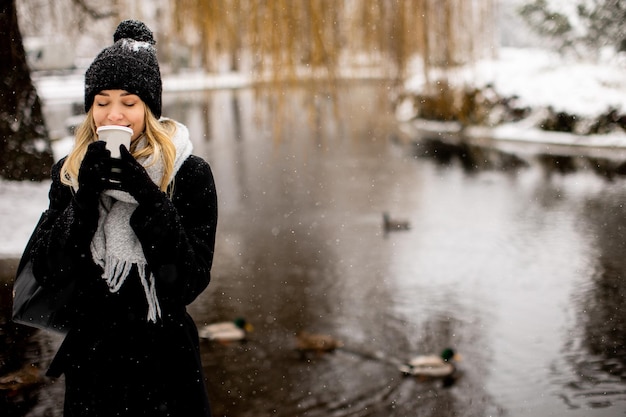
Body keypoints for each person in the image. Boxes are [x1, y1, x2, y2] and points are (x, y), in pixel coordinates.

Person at [29, 20, 217, 417]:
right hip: (93, 366)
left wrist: (147, 196)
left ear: (148, 108)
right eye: (101, 102)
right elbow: (50, 271)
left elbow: (187, 280)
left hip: (167, 366)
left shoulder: (188, 173)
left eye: (129, 103)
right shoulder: (70, 171)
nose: (113, 114)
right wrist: (83, 202)